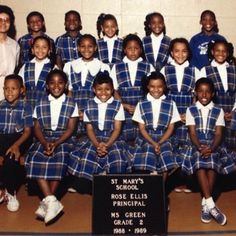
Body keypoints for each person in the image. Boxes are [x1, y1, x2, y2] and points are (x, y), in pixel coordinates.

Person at [25, 69, 78, 224]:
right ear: (47, 86)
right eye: (52, 83)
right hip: (44, 138)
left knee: (60, 159)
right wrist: (44, 143)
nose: (56, 86)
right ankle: (51, 201)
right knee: (34, 158)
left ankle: (48, 202)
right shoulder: (40, 103)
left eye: (60, 83)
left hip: (63, 139)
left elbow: (70, 129)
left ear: (66, 85)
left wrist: (56, 143)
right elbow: (36, 127)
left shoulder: (71, 103)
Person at [182, 78, 232, 226]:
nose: (204, 94)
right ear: (195, 93)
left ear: (213, 94)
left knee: (212, 162)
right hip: (195, 145)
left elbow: (218, 134)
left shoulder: (218, 110)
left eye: (208, 92)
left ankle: (205, 205)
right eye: (200, 91)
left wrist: (211, 148)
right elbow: (192, 133)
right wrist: (199, 147)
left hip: (213, 144)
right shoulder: (191, 109)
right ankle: (211, 205)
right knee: (199, 161)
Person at [68, 72, 129, 194]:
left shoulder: (117, 105)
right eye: (99, 89)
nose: (103, 93)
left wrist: (106, 145)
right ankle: (91, 184)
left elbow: (117, 129)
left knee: (117, 159)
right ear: (94, 90)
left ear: (112, 90)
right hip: (94, 138)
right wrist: (97, 145)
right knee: (87, 157)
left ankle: (112, 184)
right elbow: (89, 129)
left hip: (113, 138)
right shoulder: (89, 104)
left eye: (107, 89)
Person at [160, 38, 200, 192]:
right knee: (171, 146)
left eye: (184, 51)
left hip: (187, 114)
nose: (180, 54)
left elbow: (197, 96)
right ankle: (171, 182)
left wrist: (189, 113)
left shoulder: (195, 70)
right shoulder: (164, 70)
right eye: (176, 51)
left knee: (187, 146)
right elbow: (161, 94)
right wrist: (174, 114)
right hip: (170, 113)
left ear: (188, 53)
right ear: (171, 52)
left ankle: (187, 180)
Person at [132, 71, 180, 180]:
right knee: (149, 151)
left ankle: (160, 189)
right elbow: (142, 129)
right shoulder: (141, 103)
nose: (156, 90)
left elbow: (171, 128)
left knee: (165, 152)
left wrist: (160, 142)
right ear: (148, 86)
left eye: (159, 87)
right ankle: (151, 186)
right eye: (152, 87)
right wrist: (154, 143)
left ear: (164, 86)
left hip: (165, 137)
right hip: (147, 137)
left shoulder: (171, 103)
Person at [110, 34, 155, 142]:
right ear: (124, 50)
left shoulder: (148, 66)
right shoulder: (117, 66)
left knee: (143, 138)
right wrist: (123, 104)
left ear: (141, 50)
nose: (133, 51)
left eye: (136, 48)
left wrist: (141, 106)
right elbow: (113, 89)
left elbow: (153, 90)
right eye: (129, 48)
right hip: (123, 108)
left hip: (142, 108)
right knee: (123, 138)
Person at [63, 34, 110, 134]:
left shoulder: (102, 66)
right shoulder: (69, 66)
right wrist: (75, 111)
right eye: (83, 46)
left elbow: (104, 93)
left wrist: (88, 113)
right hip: (74, 108)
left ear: (95, 48)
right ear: (78, 48)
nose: (86, 49)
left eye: (90, 46)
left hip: (94, 108)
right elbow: (69, 92)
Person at [0, 74, 33, 212]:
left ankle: (11, 192)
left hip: (19, 139)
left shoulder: (26, 106)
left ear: (21, 90)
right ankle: (1, 188)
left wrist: (16, 145)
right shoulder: (0, 105)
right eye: (6, 88)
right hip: (2, 138)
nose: (9, 92)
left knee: (10, 158)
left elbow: (27, 132)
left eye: (13, 88)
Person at [200, 40, 236, 151]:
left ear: (228, 53)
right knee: (216, 141)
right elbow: (203, 94)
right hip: (214, 110)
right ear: (212, 51)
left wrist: (234, 111)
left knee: (231, 142)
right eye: (217, 51)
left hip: (232, 111)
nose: (221, 54)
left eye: (224, 51)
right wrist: (219, 113)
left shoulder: (234, 69)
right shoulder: (205, 70)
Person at [18, 36, 54, 109]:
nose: (40, 49)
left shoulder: (53, 68)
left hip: (46, 105)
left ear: (49, 50)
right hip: (27, 105)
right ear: (32, 50)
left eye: (44, 47)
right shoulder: (26, 66)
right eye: (37, 46)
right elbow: (20, 85)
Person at [0, 5, 19, 100]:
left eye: (6, 20)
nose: (3, 23)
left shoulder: (15, 45)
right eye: (0, 20)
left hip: (9, 94)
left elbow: (15, 69)